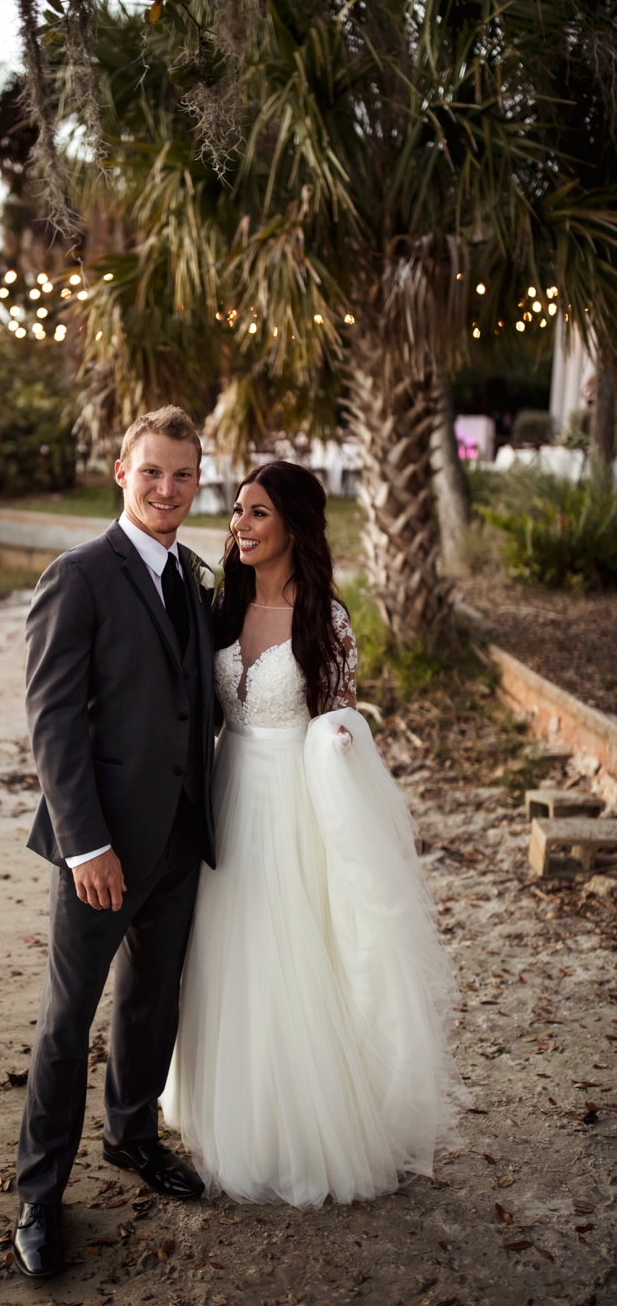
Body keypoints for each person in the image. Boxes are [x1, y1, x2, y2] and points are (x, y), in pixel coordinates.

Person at [161, 460, 469, 1208]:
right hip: (227, 791)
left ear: (294, 525)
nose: (240, 525)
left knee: (290, 953)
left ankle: (300, 1127)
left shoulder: (326, 620)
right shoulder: (219, 607)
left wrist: (338, 744)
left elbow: (341, 717)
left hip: (295, 802)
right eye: (237, 510)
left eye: (258, 513)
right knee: (224, 953)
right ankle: (232, 1109)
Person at [14, 406, 216, 1277]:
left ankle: (132, 1136)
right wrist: (85, 844)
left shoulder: (193, 578)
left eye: (182, 475)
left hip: (180, 836)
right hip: (100, 846)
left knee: (151, 1001)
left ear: (195, 483)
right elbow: (52, 721)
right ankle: (38, 1195)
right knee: (68, 1020)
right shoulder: (80, 575)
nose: (166, 489)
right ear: (120, 474)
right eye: (151, 472)